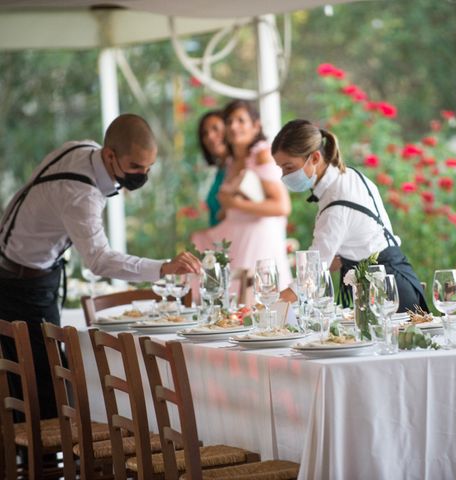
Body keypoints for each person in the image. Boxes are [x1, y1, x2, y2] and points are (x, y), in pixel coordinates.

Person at [0, 113, 201, 420]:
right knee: (47, 390)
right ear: (110, 156)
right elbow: (100, 261)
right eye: (135, 166)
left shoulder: (81, 149)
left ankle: (47, 458)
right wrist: (164, 267)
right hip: (23, 285)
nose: (142, 174)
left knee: (36, 382)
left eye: (149, 167)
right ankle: (51, 463)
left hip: (22, 270)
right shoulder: (81, 195)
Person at [272, 119, 427, 312]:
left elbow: (313, 274)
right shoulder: (349, 176)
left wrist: (270, 307)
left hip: (387, 296)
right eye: (281, 168)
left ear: (314, 158)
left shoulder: (336, 203)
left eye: (289, 167)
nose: (284, 176)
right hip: (391, 283)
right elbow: (349, 249)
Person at [191, 100, 292, 290]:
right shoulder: (232, 162)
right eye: (229, 122)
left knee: (259, 300)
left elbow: (282, 206)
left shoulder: (261, 154)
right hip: (237, 240)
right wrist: (225, 208)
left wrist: (233, 203)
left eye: (240, 120)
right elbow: (227, 210)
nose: (233, 126)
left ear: (256, 126)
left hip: (259, 242)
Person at [196, 109, 228, 227]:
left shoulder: (242, 166)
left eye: (215, 128)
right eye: (204, 133)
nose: (210, 136)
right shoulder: (220, 171)